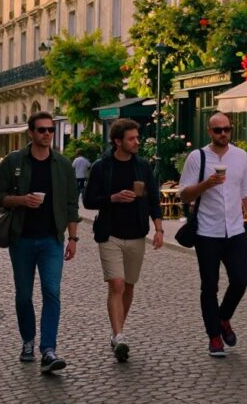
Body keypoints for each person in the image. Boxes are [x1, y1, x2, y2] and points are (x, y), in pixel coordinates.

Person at [0, 111, 80, 374]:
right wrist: (21, 200)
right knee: (23, 295)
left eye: (50, 130)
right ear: (30, 132)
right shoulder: (15, 161)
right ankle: (28, 340)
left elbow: (71, 204)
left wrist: (73, 238)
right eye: (41, 130)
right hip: (22, 238)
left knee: (52, 292)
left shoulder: (63, 164)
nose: (47, 134)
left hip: (52, 239)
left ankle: (48, 349)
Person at [178, 112, 247, 358]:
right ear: (209, 131)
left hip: (235, 230)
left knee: (240, 280)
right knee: (209, 286)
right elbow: (184, 195)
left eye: (226, 129)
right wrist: (207, 183)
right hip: (207, 231)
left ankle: (223, 318)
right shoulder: (197, 157)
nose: (223, 134)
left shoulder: (240, 156)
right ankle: (214, 336)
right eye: (218, 130)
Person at [83, 119, 162, 362]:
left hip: (137, 233)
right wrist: (112, 198)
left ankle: (118, 332)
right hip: (110, 234)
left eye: (138, 138)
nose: (137, 142)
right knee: (116, 285)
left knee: (128, 286)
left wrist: (158, 229)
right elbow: (88, 201)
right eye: (132, 138)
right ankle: (119, 336)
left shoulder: (143, 167)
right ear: (118, 141)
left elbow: (153, 199)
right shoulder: (101, 167)